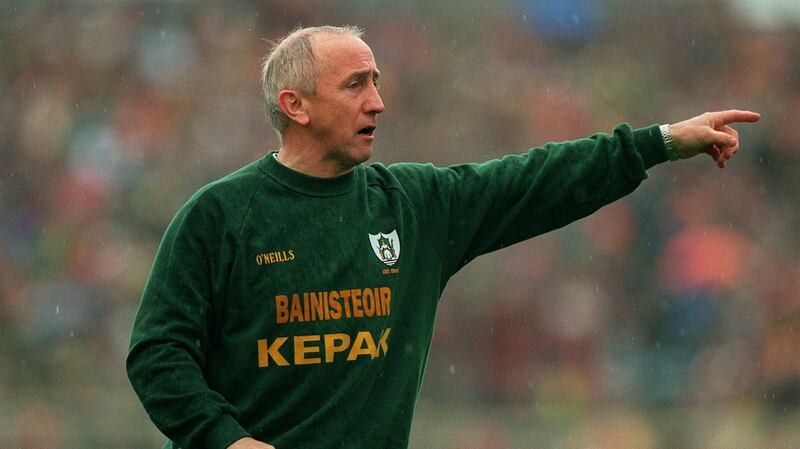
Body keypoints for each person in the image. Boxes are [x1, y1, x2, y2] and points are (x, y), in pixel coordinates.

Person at [126, 25, 760, 449]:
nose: (378, 101)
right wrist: (227, 441)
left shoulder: (414, 205)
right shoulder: (219, 216)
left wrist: (659, 143)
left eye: (376, 81)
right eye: (355, 85)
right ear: (296, 106)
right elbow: (157, 354)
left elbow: (536, 180)